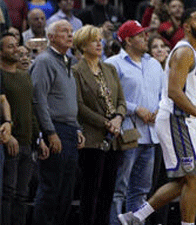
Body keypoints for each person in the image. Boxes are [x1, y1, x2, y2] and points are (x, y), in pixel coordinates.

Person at [117, 8, 196, 225]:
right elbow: (174, 91)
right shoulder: (184, 52)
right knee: (194, 177)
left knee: (189, 179)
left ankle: (136, 217)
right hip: (177, 118)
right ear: (186, 27)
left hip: (186, 120)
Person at [107, 21, 164, 225]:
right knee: (119, 188)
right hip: (127, 133)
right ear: (128, 40)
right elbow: (109, 96)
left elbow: (163, 94)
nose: (146, 38)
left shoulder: (154, 64)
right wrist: (135, 108)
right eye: (141, 35)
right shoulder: (114, 63)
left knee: (141, 190)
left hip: (151, 134)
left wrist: (159, 109)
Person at [72, 25, 128, 225]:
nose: (99, 43)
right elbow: (78, 105)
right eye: (93, 40)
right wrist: (106, 122)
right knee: (90, 191)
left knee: (108, 189)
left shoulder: (110, 69)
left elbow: (121, 100)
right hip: (92, 138)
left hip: (114, 138)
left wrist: (119, 118)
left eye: (100, 39)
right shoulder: (76, 70)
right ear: (82, 45)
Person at [31, 20, 83, 225]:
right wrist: (49, 132)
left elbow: (69, 99)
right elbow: (38, 98)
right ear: (51, 37)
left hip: (69, 130)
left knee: (66, 190)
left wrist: (77, 127)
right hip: (55, 128)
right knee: (51, 188)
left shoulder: (68, 60)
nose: (70, 35)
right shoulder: (44, 61)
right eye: (64, 31)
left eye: (71, 31)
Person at [0, 31, 43, 225]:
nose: (16, 49)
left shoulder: (24, 76)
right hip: (8, 141)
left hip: (27, 142)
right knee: (7, 192)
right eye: (10, 46)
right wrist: (8, 136)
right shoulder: (1, 76)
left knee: (23, 194)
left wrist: (39, 138)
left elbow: (31, 109)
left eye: (16, 45)